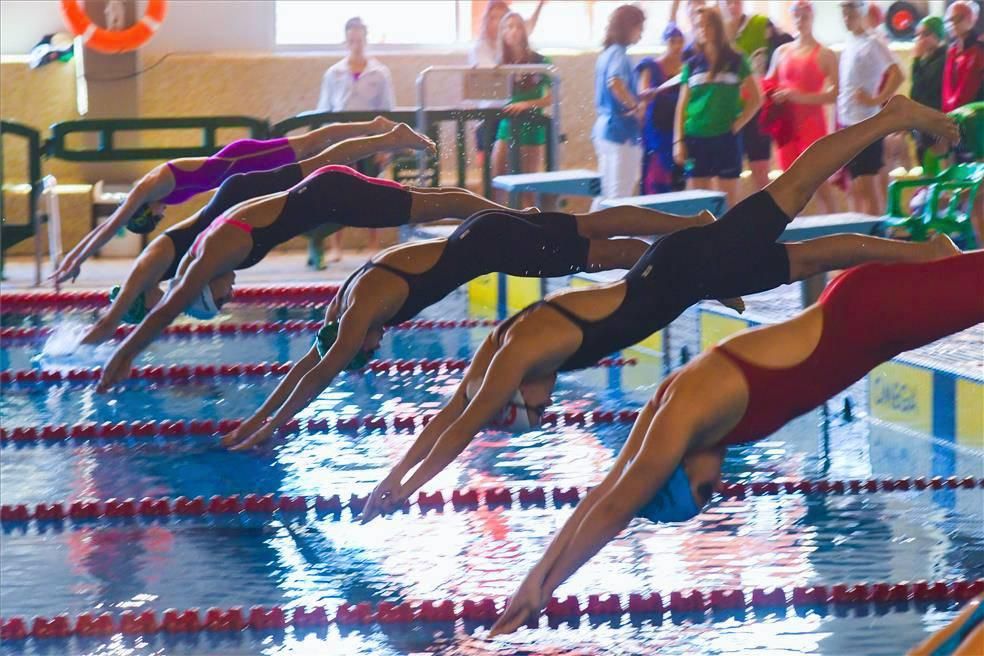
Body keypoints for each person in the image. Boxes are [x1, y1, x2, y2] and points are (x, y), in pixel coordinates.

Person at [359, 96, 961, 524]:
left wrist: (399, 484)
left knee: (795, 186)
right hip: (679, 274)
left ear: (517, 394)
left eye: (533, 414)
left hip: (685, 269)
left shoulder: (520, 353)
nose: (544, 412)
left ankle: (892, 119)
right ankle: (925, 253)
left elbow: (462, 425)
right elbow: (450, 414)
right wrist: (400, 478)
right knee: (807, 260)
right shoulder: (507, 349)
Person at [489, 244, 983, 636]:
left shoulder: (688, 415)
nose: (718, 486)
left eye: (703, 493)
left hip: (878, 314)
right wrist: (539, 578)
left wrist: (541, 585)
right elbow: (605, 492)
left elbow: (617, 505)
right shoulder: (672, 405)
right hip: (869, 314)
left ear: (676, 473)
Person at [221, 205, 721, 450]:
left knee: (609, 253)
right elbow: (310, 360)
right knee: (592, 226)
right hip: (483, 230)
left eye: (367, 350)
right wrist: (257, 419)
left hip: (494, 247)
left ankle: (703, 270)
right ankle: (691, 226)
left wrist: (271, 427)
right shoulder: (343, 303)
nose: (376, 345)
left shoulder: (357, 317)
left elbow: (319, 372)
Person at [94, 158, 533, 390]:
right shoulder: (208, 259)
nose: (232, 296)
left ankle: (520, 220)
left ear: (206, 290)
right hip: (326, 197)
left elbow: (167, 307)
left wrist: (124, 353)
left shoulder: (209, 259)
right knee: (442, 206)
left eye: (221, 299)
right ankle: (515, 219)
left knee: (445, 204)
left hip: (333, 195)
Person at [79, 121, 430, 345]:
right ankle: (386, 136)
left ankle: (386, 134)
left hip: (238, 187)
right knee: (318, 166)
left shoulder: (159, 260)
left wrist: (95, 336)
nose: (229, 295)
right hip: (237, 201)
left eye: (219, 299)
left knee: (314, 153)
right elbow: (160, 307)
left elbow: (118, 315)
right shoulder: (182, 272)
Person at [50, 123, 368, 284]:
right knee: (308, 160)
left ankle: (372, 128)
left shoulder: (149, 188)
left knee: (310, 144)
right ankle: (366, 138)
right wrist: (73, 260)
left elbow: (110, 225)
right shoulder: (158, 195)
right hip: (238, 170)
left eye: (155, 218)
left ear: (144, 211)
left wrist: (74, 260)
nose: (162, 216)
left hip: (238, 159)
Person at [314, 17, 396, 266]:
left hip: (369, 141)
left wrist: (385, 146)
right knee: (337, 193)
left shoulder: (379, 73)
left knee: (371, 192)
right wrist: (324, 144)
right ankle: (336, 246)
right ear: (345, 41)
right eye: (351, 40)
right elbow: (325, 109)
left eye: (359, 40)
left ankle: (373, 245)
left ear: (366, 40)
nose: (356, 44)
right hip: (341, 141)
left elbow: (388, 109)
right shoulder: (334, 73)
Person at [674, 6, 761, 209]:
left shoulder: (736, 59)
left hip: (726, 138)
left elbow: (756, 99)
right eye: (698, 26)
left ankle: (728, 240)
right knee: (698, 202)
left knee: (728, 201)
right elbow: (682, 105)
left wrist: (737, 124)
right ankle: (702, 241)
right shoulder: (692, 64)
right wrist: (678, 141)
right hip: (696, 137)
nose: (703, 30)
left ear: (718, 26)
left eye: (708, 25)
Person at [765, 0, 838, 213]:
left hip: (812, 127)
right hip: (787, 128)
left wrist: (798, 97)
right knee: (789, 185)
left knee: (820, 183)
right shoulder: (781, 52)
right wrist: (773, 94)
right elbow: (768, 84)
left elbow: (834, 94)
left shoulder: (824, 54)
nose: (800, 20)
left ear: (812, 17)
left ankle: (832, 230)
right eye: (796, 15)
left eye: (804, 15)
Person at [836, 0, 904, 216]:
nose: (847, 18)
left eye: (851, 13)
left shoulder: (872, 42)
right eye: (844, 14)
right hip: (849, 123)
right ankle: (866, 239)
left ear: (862, 12)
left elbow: (898, 73)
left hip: (865, 124)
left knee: (868, 186)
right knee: (856, 188)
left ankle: (877, 241)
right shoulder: (850, 41)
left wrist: (876, 100)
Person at [491, 12, 552, 206]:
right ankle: (498, 225)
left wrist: (527, 104)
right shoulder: (501, 62)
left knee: (527, 186)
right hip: (507, 125)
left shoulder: (540, 61)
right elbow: (491, 94)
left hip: (531, 125)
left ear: (524, 31)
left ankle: (532, 230)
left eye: (517, 26)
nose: (513, 31)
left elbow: (551, 97)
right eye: (508, 27)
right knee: (497, 179)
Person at [720, 0, 778, 193]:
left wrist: (771, 86)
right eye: (727, 2)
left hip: (757, 109)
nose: (732, 6)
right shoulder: (716, 29)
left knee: (761, 172)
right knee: (727, 175)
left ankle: (768, 220)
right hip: (729, 112)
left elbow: (781, 53)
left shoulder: (761, 24)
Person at [591, 4, 646, 210]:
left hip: (605, 129)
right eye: (639, 28)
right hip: (620, 131)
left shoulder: (607, 53)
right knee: (619, 196)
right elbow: (615, 83)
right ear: (629, 27)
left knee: (605, 193)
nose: (640, 34)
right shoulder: (619, 54)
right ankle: (615, 239)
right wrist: (636, 105)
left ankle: (589, 235)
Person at [635, 24, 686, 194]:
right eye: (672, 41)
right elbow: (642, 92)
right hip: (656, 130)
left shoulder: (688, 67)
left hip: (677, 128)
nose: (677, 46)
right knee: (655, 175)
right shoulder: (651, 66)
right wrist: (650, 93)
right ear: (665, 42)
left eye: (680, 41)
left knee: (678, 177)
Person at [910, 15, 948, 167]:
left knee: (939, 169)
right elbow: (915, 93)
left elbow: (925, 89)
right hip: (923, 123)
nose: (920, 39)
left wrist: (917, 60)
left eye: (925, 34)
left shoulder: (943, 59)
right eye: (918, 35)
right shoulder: (927, 60)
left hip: (936, 124)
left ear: (937, 35)